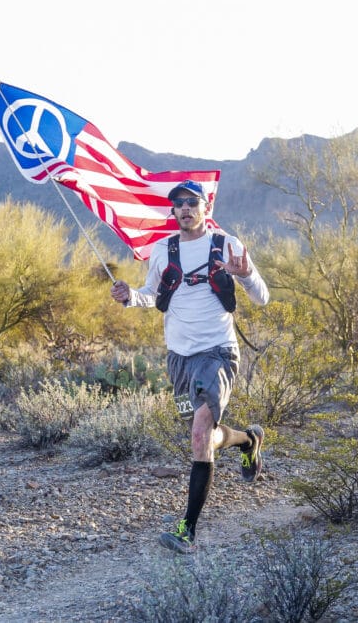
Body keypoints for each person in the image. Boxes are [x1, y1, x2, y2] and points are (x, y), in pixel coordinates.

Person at [110, 179, 270, 554]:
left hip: (217, 352)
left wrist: (244, 274)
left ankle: (187, 530)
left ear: (205, 207)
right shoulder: (162, 250)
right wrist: (129, 296)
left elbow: (262, 297)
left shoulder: (226, 243)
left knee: (199, 434)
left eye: (191, 202)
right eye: (178, 203)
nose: (184, 208)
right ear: (173, 211)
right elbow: (151, 295)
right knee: (204, 438)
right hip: (178, 358)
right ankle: (249, 440)